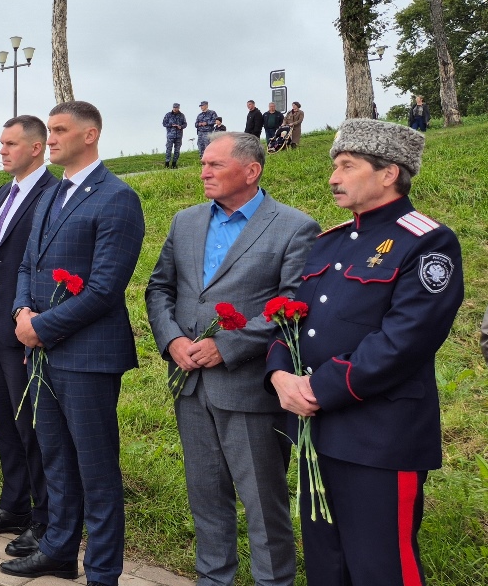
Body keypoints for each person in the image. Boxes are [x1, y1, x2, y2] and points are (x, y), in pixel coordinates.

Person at [265, 119, 462, 586]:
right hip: (317, 433)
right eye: (335, 166)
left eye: (347, 166)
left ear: (389, 172)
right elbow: (290, 317)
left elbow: (403, 342)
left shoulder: (428, 241)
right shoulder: (329, 242)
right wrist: (279, 374)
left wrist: (316, 388)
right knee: (327, 567)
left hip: (380, 437)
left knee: (382, 568)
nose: (333, 177)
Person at [146, 132, 319, 586]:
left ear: (251, 171)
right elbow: (160, 287)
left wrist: (227, 346)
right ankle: (214, 579)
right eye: (203, 163)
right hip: (190, 384)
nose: (203, 172)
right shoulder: (185, 221)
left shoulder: (294, 226)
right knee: (206, 498)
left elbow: (293, 304)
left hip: (248, 389)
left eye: (215, 165)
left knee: (263, 504)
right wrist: (171, 340)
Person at [4, 101, 146, 584]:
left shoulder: (117, 197)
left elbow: (105, 289)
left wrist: (41, 327)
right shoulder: (51, 194)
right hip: (41, 353)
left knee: (96, 469)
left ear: (90, 135)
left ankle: (102, 571)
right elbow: (27, 265)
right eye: (50, 129)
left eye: (61, 130)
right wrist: (22, 312)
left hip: (87, 357)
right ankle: (60, 551)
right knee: (57, 460)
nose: (52, 138)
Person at [0, 116, 58, 552]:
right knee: (4, 420)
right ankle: (14, 505)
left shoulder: (51, 193)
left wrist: (31, 319)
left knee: (32, 426)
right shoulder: (6, 191)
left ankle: (45, 519)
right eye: (1, 143)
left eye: (10, 144)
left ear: (36, 148)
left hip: (24, 325)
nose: (2, 150)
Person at [162, 103, 187, 169]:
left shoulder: (182, 115)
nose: (175, 109)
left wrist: (181, 126)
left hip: (179, 136)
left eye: (176, 108)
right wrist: (171, 125)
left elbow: (185, 124)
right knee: (168, 149)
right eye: (174, 107)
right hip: (170, 135)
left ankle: (174, 163)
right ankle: (167, 163)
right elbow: (164, 123)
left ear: (179, 108)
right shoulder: (168, 115)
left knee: (177, 150)